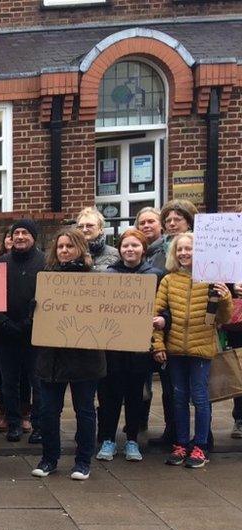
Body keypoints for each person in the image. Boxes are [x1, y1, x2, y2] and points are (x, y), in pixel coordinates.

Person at [30, 228, 106, 481]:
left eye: (69, 246)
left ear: (80, 249)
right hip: (52, 357)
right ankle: (49, 458)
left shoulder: (94, 279)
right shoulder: (46, 279)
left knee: (84, 410)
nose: (64, 251)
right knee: (48, 410)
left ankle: (83, 461)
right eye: (60, 247)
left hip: (85, 356)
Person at [152, 232, 232, 469]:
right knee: (178, 398)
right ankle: (181, 443)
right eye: (180, 249)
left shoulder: (211, 281)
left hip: (201, 349)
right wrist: (158, 344)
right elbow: (156, 314)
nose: (184, 253)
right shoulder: (168, 280)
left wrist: (226, 298)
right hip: (175, 349)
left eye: (189, 248)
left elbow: (223, 318)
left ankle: (201, 445)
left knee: (200, 397)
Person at [97, 229, 163, 463]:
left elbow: (163, 307)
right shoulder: (109, 275)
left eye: (135, 245)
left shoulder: (155, 275)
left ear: (143, 249)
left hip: (139, 348)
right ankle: (108, 439)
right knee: (109, 397)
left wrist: (163, 319)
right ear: (120, 249)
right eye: (125, 245)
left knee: (136, 396)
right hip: (112, 348)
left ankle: (132, 440)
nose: (129, 250)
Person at [148, 199, 197, 446]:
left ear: (189, 221)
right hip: (164, 323)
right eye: (167, 219)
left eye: (177, 218)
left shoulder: (201, 251)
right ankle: (173, 431)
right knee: (170, 385)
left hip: (195, 326)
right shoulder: (156, 250)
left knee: (199, 389)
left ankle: (201, 436)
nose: (171, 223)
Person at [0, 219, 45, 443]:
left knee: (38, 382)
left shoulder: (44, 262)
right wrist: (3, 322)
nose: (20, 237)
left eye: (25, 233)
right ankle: (14, 424)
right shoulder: (0, 262)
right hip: (5, 334)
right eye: (16, 233)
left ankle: (39, 425)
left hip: (36, 333)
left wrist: (28, 322)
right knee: (9, 382)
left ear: (34, 237)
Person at [74, 207, 119, 272]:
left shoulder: (115, 255)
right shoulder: (71, 254)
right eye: (80, 226)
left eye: (89, 225)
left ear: (100, 229)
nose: (84, 230)